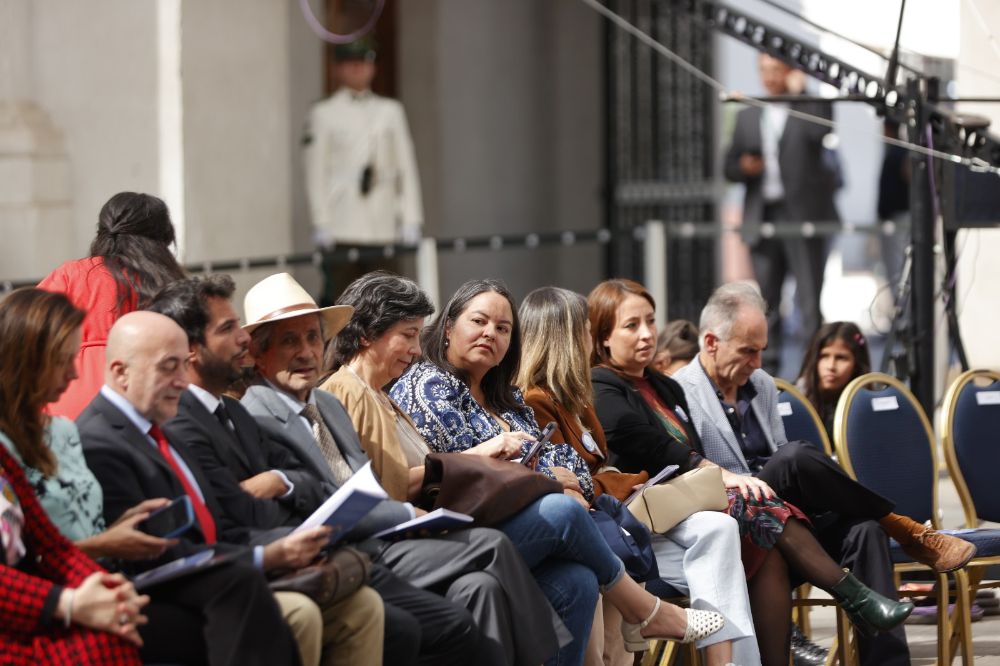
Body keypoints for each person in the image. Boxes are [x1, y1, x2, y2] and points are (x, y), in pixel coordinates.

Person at [238, 272, 580, 666]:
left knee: (484, 585)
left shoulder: (329, 404)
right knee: (503, 539)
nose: (306, 352)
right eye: (289, 341)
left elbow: (364, 484)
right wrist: (416, 511)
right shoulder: (263, 413)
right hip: (347, 551)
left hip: (387, 537)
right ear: (258, 354)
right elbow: (351, 494)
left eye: (313, 338)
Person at [389, 277, 727, 666]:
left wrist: (537, 470)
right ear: (448, 328)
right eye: (479, 322)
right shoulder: (430, 383)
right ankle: (648, 611)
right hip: (463, 531)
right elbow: (456, 469)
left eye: (502, 328)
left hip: (515, 522)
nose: (490, 334)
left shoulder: (509, 399)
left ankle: (649, 614)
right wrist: (529, 467)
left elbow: (576, 471)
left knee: (578, 582)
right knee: (563, 512)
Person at [586, 278, 918, 666]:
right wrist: (724, 476)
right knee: (788, 467)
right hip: (675, 513)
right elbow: (659, 448)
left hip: (756, 512)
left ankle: (885, 647)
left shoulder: (666, 387)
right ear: (603, 336)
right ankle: (887, 543)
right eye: (631, 325)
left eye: (650, 321)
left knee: (861, 530)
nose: (647, 334)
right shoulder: (615, 386)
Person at [672, 282, 978, 666]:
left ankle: (888, 662)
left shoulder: (761, 386)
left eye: (763, 351)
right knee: (795, 457)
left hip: (784, 519)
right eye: (748, 351)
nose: (757, 363)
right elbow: (689, 477)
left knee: (865, 530)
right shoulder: (680, 392)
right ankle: (903, 525)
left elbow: (780, 463)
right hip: (733, 517)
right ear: (712, 342)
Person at [74, 309, 350, 666]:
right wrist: (265, 558)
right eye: (167, 367)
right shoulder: (100, 441)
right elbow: (149, 555)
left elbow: (218, 521)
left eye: (181, 365)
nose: (180, 380)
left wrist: (273, 552)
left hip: (219, 574)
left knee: (364, 608)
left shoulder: (159, 425)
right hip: (167, 601)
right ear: (120, 372)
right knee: (292, 611)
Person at [148, 275, 385, 666]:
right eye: (228, 329)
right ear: (191, 351)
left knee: (366, 608)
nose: (243, 339)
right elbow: (232, 509)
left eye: (313, 337)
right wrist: (280, 518)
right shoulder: (181, 423)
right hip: (246, 570)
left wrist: (279, 482)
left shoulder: (235, 412)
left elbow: (309, 480)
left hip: (288, 556)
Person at [517, 286, 758, 666]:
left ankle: (727, 663)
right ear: (564, 338)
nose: (588, 341)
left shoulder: (579, 399)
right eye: (584, 331)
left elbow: (588, 473)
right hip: (602, 525)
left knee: (720, 529)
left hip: (621, 518)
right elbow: (576, 482)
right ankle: (655, 619)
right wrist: (620, 480)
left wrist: (610, 479)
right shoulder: (540, 401)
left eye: (650, 321)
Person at [723, 55, 840, 374]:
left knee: (808, 302)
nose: (769, 78)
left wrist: (804, 92)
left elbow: (822, 134)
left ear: (790, 73)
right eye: (764, 70)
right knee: (768, 303)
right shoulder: (749, 113)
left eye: (776, 70)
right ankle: (767, 372)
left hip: (803, 216)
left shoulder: (807, 107)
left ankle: (811, 371)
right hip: (763, 217)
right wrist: (744, 167)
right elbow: (728, 166)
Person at [38, 192, 186, 419]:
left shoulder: (71, 274)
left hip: (64, 404)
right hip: (148, 405)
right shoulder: (171, 285)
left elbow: (20, 329)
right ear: (164, 240)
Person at [303, 38, 423, 305]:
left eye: (364, 63)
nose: (358, 69)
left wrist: (411, 217)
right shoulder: (324, 112)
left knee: (387, 300)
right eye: (351, 63)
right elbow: (315, 172)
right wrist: (321, 221)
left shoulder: (390, 111)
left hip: (382, 222)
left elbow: (405, 166)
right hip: (342, 223)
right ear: (339, 69)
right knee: (344, 302)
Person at [795, 321, 870, 440]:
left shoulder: (868, 408)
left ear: (857, 365)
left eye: (841, 358)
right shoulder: (795, 402)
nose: (831, 366)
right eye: (824, 356)